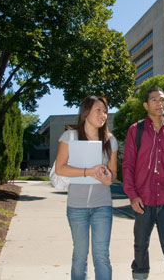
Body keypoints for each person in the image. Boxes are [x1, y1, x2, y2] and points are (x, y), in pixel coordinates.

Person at [122, 87, 164, 280]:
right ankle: (140, 276)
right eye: (154, 100)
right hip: (143, 200)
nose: (160, 104)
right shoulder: (136, 130)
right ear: (145, 105)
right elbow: (128, 165)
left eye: (163, 100)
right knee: (141, 244)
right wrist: (132, 196)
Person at [55, 95, 118, 280]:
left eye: (105, 111)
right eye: (98, 110)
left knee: (102, 256)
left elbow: (113, 173)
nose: (103, 115)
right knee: (80, 256)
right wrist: (88, 171)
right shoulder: (70, 136)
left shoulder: (110, 140)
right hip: (76, 207)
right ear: (86, 112)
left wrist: (109, 179)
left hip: (103, 205)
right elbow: (60, 168)